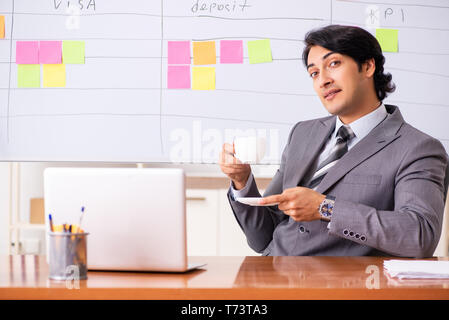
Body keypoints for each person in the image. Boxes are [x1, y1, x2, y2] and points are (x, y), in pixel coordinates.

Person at [219, 25, 449, 257]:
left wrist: (325, 207)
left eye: (334, 64)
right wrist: (241, 181)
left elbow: (420, 235)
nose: (323, 81)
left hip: (346, 285)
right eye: (314, 73)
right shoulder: (302, 133)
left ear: (368, 66)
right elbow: (263, 237)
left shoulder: (417, 148)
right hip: (276, 276)